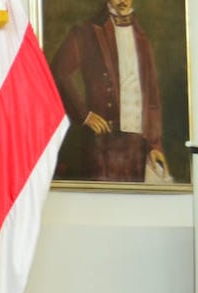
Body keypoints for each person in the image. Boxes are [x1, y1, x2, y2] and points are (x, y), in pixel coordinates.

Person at [50, 0, 168, 183]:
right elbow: (58, 72)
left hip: (136, 147)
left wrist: (155, 145)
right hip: (103, 144)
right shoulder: (86, 32)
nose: (122, 0)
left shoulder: (142, 39)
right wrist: (84, 115)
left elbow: (152, 98)